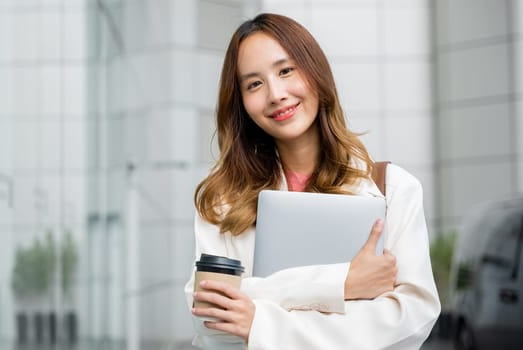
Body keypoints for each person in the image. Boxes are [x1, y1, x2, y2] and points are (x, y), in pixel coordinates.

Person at [183, 12, 440, 350]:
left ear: (316, 73)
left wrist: (259, 320)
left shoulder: (393, 189)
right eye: (254, 84)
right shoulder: (223, 198)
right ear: (242, 103)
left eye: (286, 71)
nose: (276, 94)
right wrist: (341, 285)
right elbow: (210, 318)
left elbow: (411, 317)